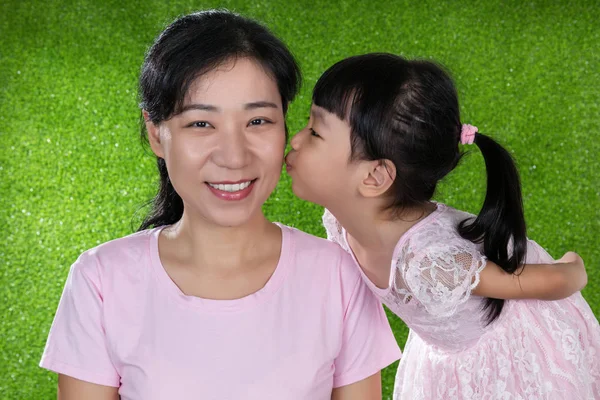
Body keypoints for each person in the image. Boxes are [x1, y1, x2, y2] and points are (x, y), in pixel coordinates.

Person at [40, 13, 400, 400]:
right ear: (155, 134)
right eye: (201, 124)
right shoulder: (100, 281)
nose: (234, 156)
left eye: (258, 120)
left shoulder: (338, 276)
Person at [285, 52, 600, 399]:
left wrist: (573, 266)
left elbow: (554, 281)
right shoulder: (341, 225)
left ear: (374, 176)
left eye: (315, 132)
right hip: (448, 350)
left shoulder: (430, 264)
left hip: (511, 348)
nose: (295, 140)